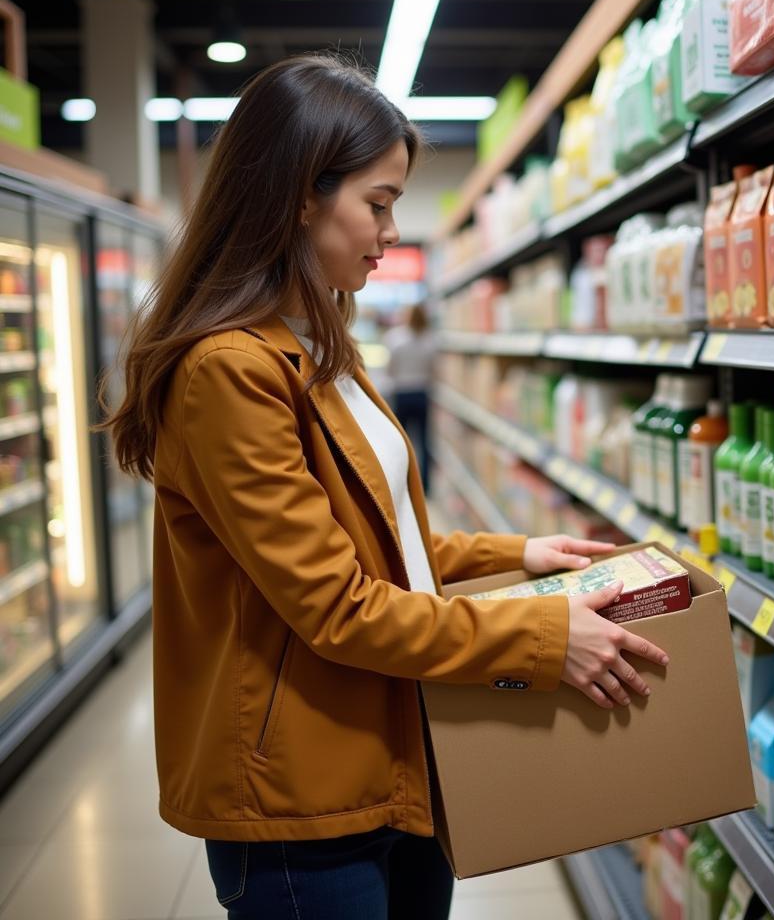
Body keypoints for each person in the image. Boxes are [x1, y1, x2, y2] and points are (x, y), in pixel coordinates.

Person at [99, 54, 669, 920]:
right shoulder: (230, 372)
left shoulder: (320, 347)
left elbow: (380, 539)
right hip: (301, 796)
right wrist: (539, 638)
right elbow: (337, 604)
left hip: (394, 753)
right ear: (299, 194)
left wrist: (516, 553)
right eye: (380, 201)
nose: (393, 230)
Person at [385, 302, 435, 493]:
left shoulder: (395, 338)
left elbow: (390, 369)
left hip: (401, 393)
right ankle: (425, 486)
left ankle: (404, 483)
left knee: (401, 441)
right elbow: (433, 370)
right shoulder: (430, 340)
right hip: (422, 393)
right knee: (424, 440)